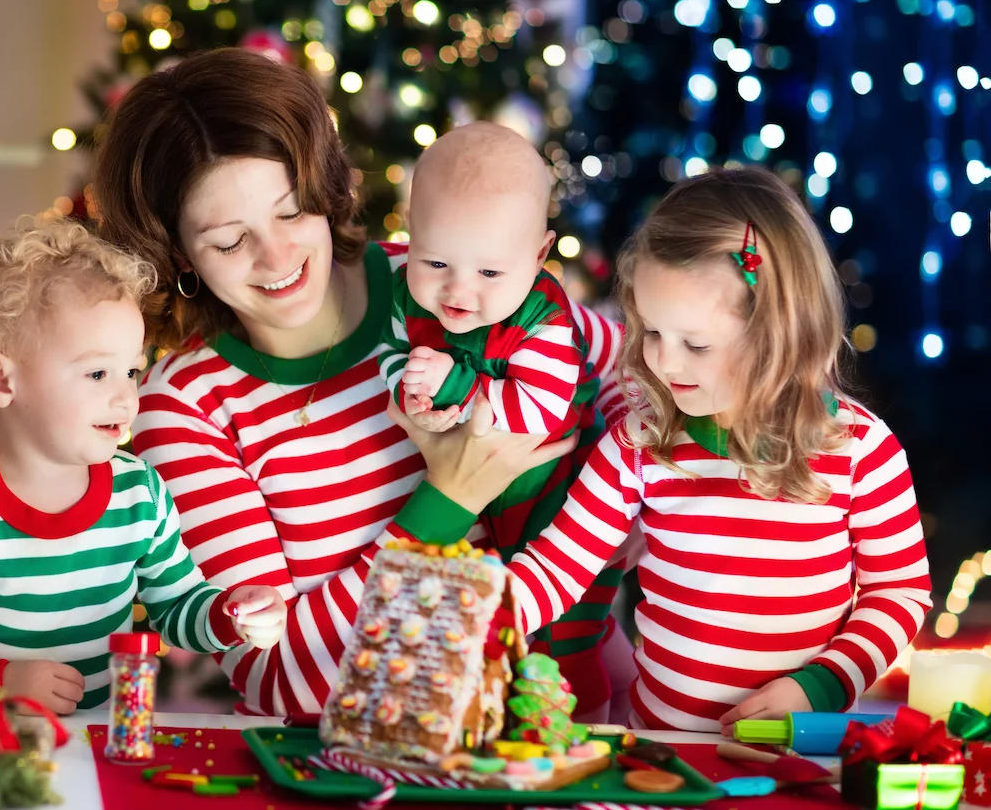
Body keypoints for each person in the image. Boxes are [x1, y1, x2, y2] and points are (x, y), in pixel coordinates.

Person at [91, 47, 630, 719]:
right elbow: (278, 678)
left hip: (558, 729)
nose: (277, 256)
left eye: (291, 212)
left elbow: (628, 374)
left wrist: (622, 497)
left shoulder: (444, 282)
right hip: (356, 764)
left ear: (324, 189)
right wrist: (449, 498)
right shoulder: (185, 407)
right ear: (179, 253)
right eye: (230, 241)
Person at [394, 167, 932, 732]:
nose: (665, 363)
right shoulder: (639, 443)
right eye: (651, 332)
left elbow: (899, 593)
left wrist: (821, 685)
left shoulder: (861, 450)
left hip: (796, 754)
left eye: (695, 344)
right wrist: (464, 624)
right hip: (662, 755)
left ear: (780, 332)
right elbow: (557, 567)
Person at [0, 218, 287, 715]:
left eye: (131, 370)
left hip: (98, 749)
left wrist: (229, 614)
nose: (126, 395)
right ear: (0, 379)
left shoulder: (139, 495)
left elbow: (176, 608)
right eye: (97, 372)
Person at [377, 120, 625, 711]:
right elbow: (394, 357)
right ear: (410, 235)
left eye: (489, 272)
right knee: (482, 620)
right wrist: (414, 396)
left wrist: (456, 386)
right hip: (485, 497)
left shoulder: (543, 318)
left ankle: (584, 719)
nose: (459, 291)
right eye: (435, 262)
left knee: (566, 631)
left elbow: (538, 411)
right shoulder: (404, 296)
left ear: (539, 255)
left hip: (561, 495)